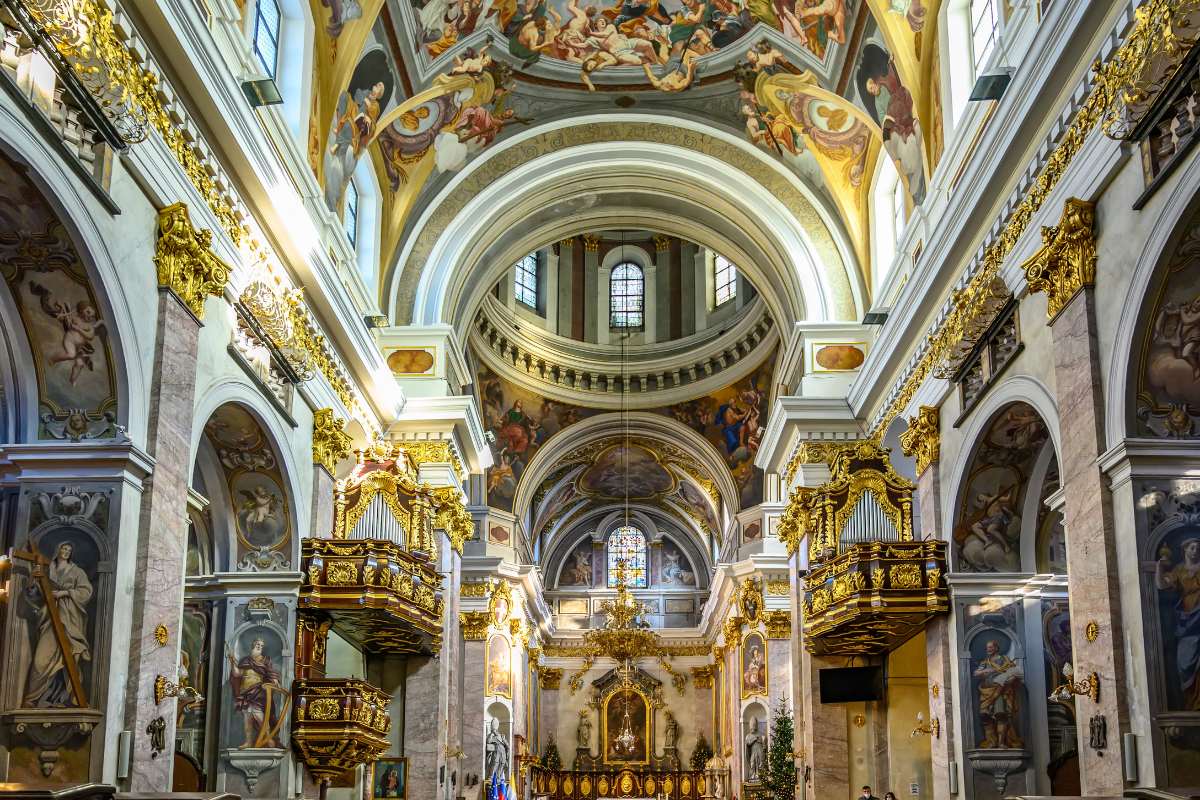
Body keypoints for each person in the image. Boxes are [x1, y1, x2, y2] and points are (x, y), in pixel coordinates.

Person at [24, 541, 93, 707]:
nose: (66, 551)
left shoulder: (77, 572)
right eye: (64, 548)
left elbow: (86, 592)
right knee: (41, 660)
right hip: (49, 619)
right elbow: (35, 594)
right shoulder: (47, 569)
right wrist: (34, 580)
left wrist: (65, 592)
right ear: (58, 549)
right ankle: (32, 699)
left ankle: (71, 699)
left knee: (70, 658)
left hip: (69, 620)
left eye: (69, 549)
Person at [226, 637, 283, 748]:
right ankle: (249, 742)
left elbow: (271, 673)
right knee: (247, 718)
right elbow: (237, 674)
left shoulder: (265, 660)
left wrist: (275, 683)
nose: (259, 647)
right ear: (253, 645)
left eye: (261, 646)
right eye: (258, 644)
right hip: (246, 693)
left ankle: (269, 739)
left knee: (259, 716)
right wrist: (232, 661)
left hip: (258, 692)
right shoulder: (245, 660)